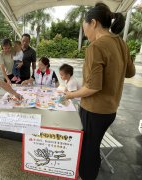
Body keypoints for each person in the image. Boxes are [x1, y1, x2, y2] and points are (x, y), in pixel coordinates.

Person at [65, 3, 135, 180]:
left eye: (85, 27)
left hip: (94, 110)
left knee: (88, 149)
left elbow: (93, 87)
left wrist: (70, 95)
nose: (86, 32)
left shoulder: (95, 47)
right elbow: (130, 72)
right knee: (93, 146)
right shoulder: (121, 43)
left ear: (93, 23)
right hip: (110, 110)